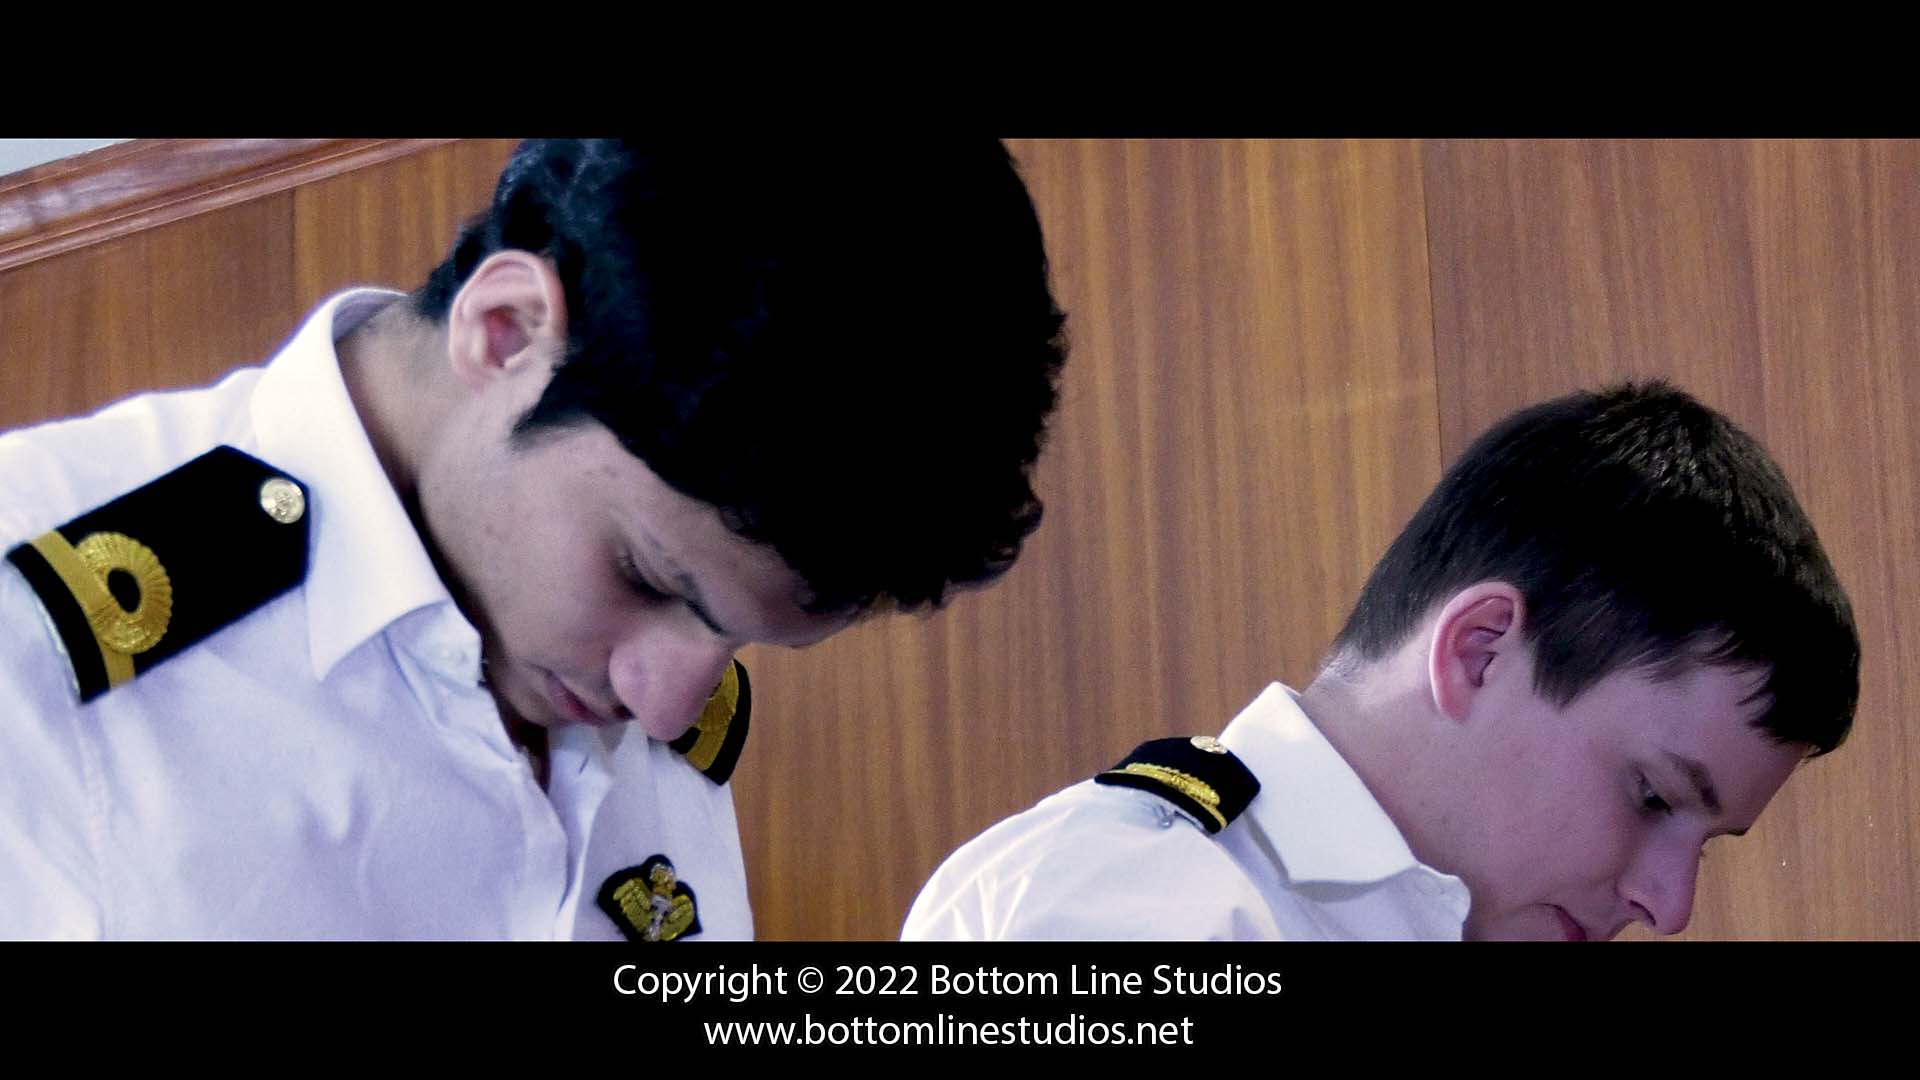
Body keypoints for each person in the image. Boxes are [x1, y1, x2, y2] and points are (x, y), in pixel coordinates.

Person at [0, 138, 1068, 940]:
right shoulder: (26, 622)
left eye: (741, 640)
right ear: (505, 330)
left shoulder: (638, 689)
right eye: (648, 577)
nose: (667, 705)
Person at [903, 381, 1859, 941]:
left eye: (1706, 844)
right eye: (1652, 797)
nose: (1670, 906)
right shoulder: (1124, 906)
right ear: (1481, 651)